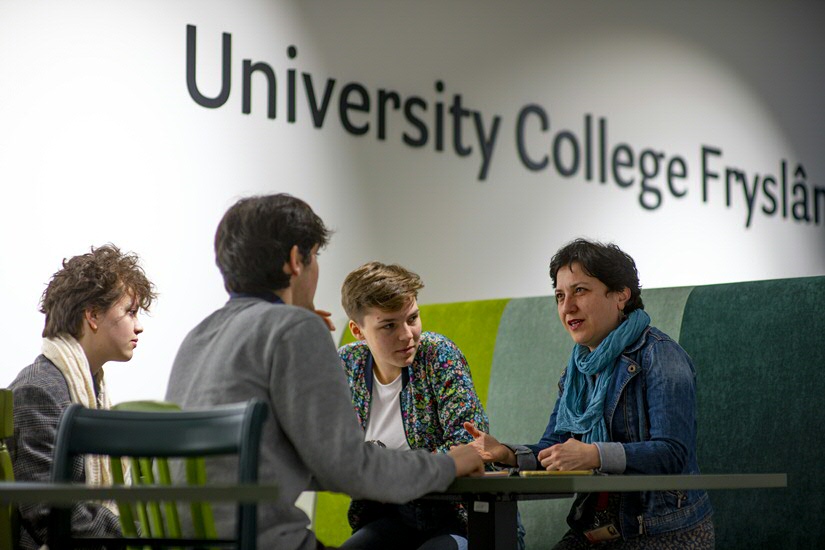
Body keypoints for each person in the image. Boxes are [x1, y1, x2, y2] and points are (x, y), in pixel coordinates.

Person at [164, 194, 483, 550]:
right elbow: (348, 467)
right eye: (314, 257)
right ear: (295, 262)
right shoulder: (293, 328)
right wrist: (447, 465)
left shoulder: (199, 336)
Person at [465, 238, 714, 549]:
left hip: (661, 531)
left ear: (621, 294)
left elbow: (672, 454)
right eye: (559, 295)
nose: (567, 307)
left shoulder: (660, 355)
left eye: (580, 291)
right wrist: (505, 453)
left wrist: (594, 454)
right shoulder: (578, 369)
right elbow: (555, 448)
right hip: (596, 529)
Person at [8, 244, 156, 549]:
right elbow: (52, 514)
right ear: (92, 315)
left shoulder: (90, 389)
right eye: (130, 312)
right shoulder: (39, 390)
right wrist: (141, 535)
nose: (139, 326)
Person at [337, 261, 489, 550]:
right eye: (389, 325)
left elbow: (471, 446)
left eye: (412, 318)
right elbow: (334, 452)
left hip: (456, 517)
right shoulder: (347, 365)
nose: (407, 334)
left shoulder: (438, 355)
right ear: (358, 330)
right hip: (388, 518)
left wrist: (384, 471)